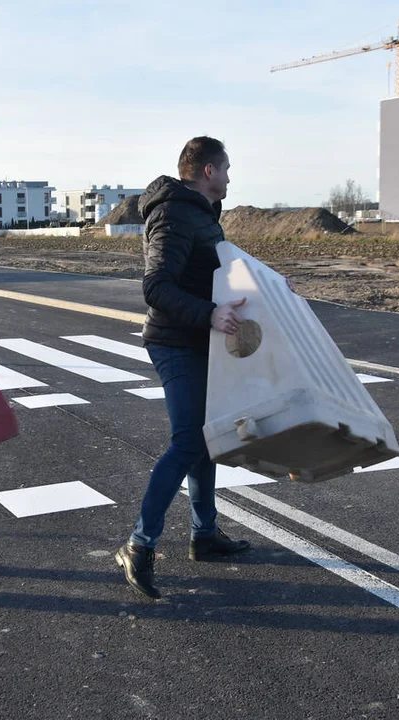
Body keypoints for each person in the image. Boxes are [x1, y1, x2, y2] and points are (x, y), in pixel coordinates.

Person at [116, 137, 252, 600]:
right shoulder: (174, 214)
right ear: (209, 171)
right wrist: (209, 314)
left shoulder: (201, 214)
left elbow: (221, 270)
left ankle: (204, 534)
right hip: (175, 341)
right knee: (188, 441)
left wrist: (272, 284)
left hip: (198, 339)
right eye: (227, 168)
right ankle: (139, 545)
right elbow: (155, 287)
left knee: (207, 440)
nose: (232, 177)